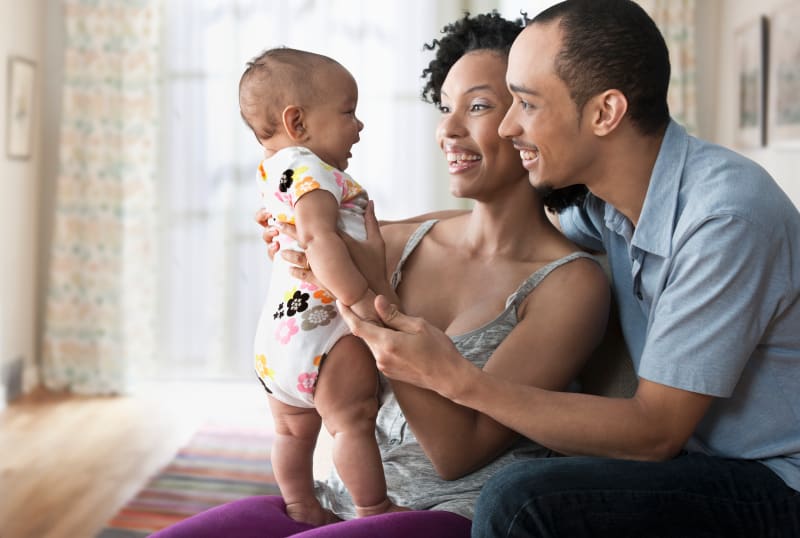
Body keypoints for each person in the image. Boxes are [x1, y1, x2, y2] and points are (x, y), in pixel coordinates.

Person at [338, 1, 800, 537]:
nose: (509, 126)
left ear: (605, 113)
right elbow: (500, 224)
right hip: (700, 462)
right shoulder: (608, 207)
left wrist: (458, 380)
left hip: (775, 479)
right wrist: (339, 231)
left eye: (527, 104)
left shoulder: (723, 220)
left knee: (518, 500)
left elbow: (655, 432)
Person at [151, 12, 609, 538]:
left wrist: (382, 295)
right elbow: (317, 248)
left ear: (530, 118)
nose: (448, 130)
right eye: (445, 107)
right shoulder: (402, 238)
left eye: (478, 106)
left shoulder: (569, 285)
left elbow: (457, 455)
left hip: (448, 514)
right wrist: (288, 235)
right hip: (338, 501)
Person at [239, 47, 404, 523]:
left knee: (291, 432)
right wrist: (359, 298)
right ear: (297, 122)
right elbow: (318, 239)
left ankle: (300, 504)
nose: (360, 126)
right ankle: (373, 508)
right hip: (325, 328)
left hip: (276, 341)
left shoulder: (275, 167)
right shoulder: (312, 170)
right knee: (352, 423)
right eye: (349, 112)